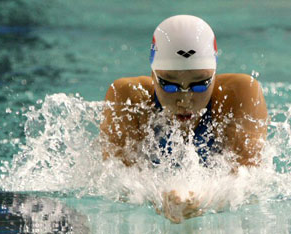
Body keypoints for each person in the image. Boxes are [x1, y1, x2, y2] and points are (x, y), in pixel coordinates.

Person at [100, 15, 268, 223]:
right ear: (152, 75)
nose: (185, 99)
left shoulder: (238, 96)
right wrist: (158, 198)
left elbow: (248, 180)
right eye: (169, 85)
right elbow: (115, 181)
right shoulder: (129, 99)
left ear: (215, 75)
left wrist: (205, 198)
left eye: (200, 84)